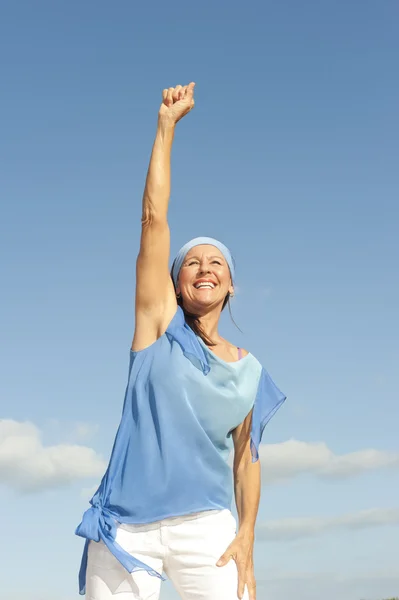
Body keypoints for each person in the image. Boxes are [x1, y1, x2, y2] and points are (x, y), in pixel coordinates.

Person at [75, 82, 286, 600]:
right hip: (126, 526)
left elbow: (246, 458)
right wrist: (165, 128)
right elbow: (154, 218)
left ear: (231, 283)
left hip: (207, 529)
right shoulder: (155, 328)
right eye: (192, 262)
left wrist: (247, 537)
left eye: (217, 262)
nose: (204, 268)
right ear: (175, 283)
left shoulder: (249, 371)